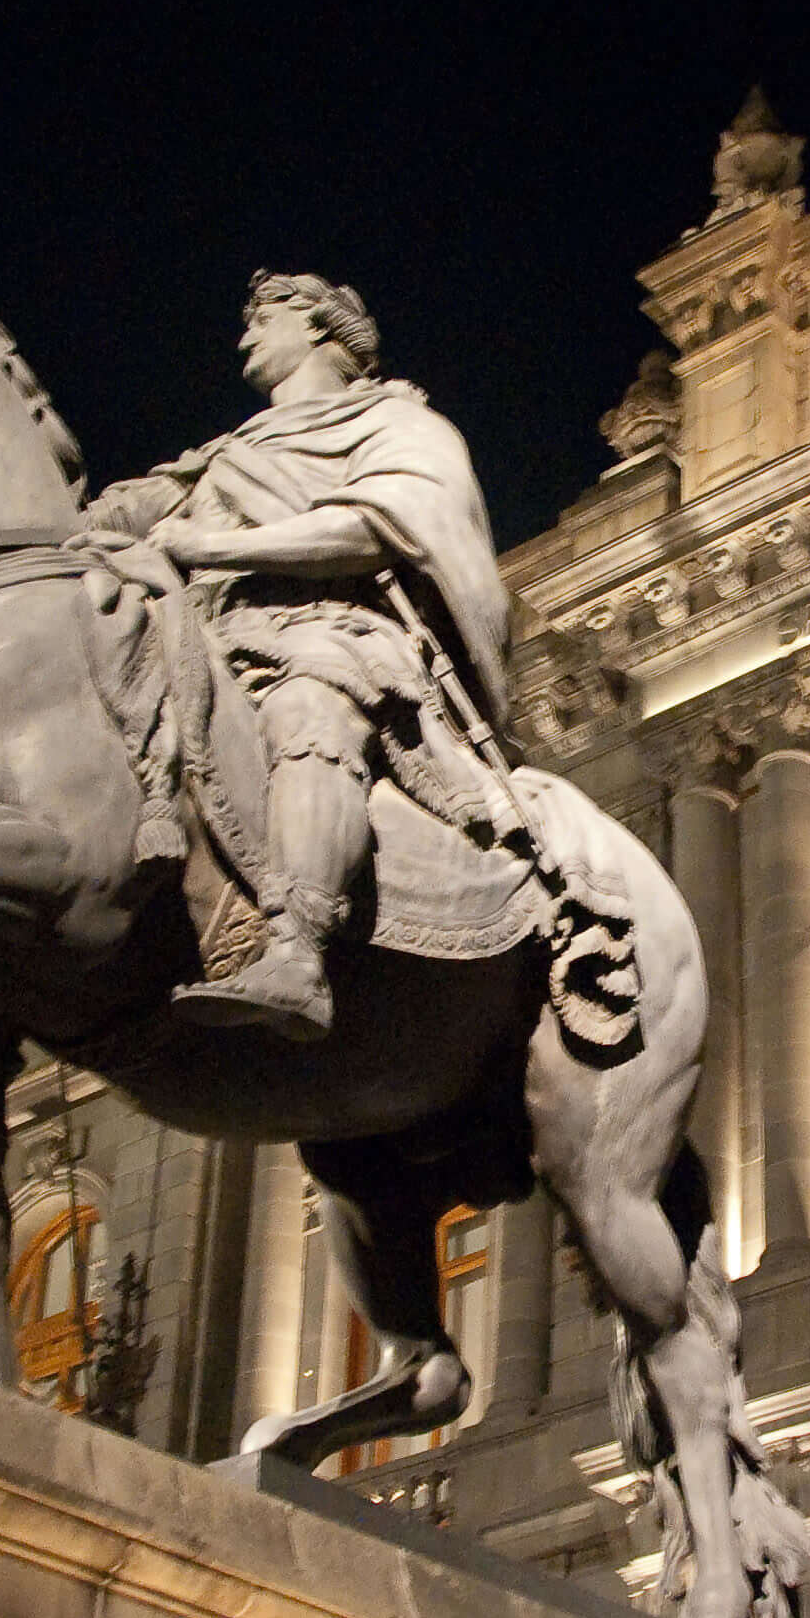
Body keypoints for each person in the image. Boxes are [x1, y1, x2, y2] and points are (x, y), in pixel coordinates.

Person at [93, 271, 512, 1041]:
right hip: (210, 642)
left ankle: (297, 949)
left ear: (320, 327)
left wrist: (210, 546)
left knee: (306, 707)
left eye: (264, 315)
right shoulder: (226, 453)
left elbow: (378, 529)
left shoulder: (399, 425)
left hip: (329, 631)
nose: (244, 332)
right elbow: (122, 511)